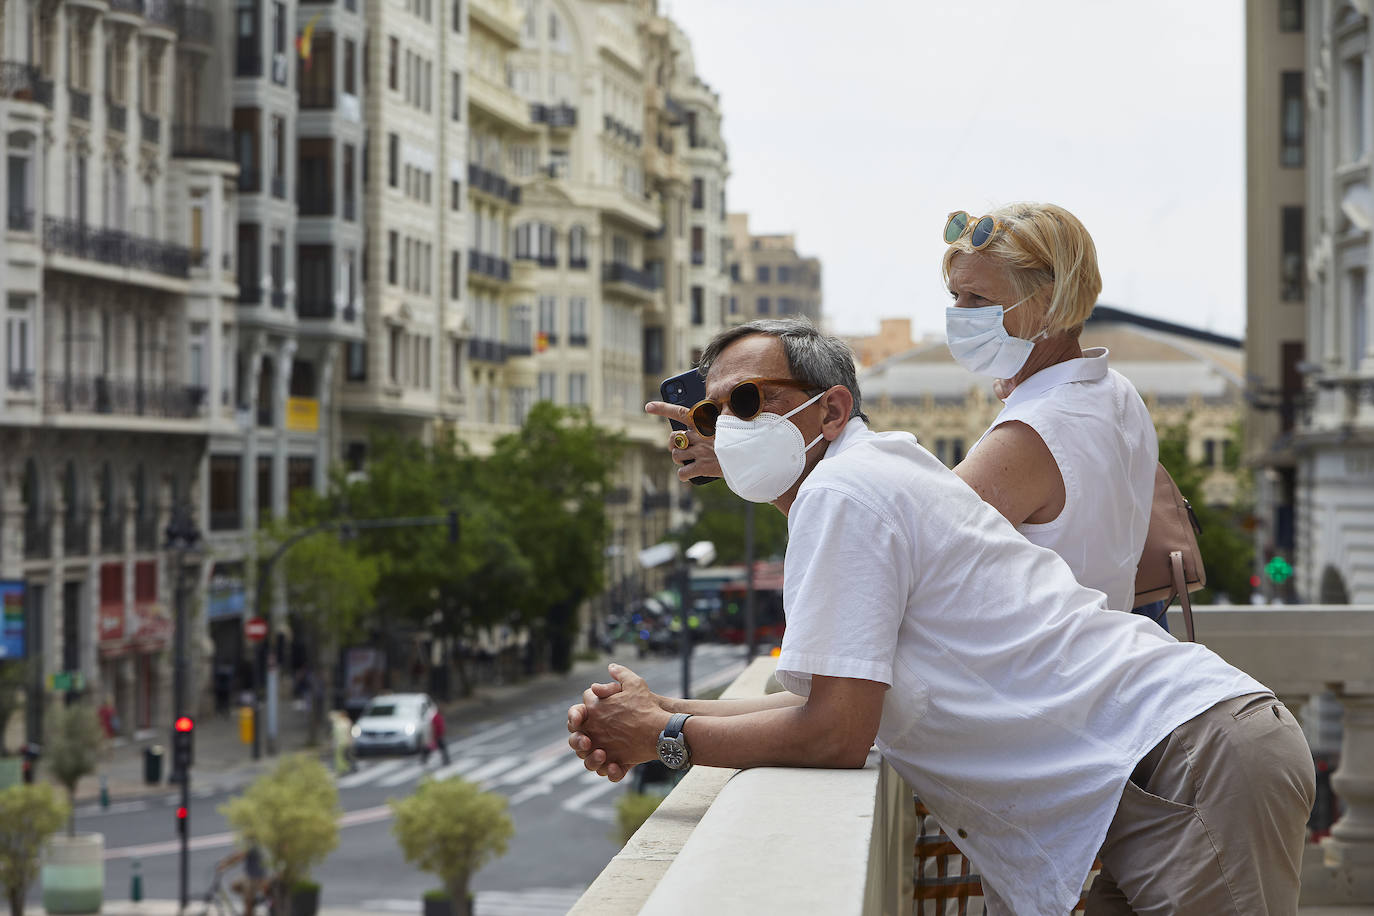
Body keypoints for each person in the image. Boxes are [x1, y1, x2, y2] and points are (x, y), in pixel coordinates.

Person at [570, 319, 1314, 915]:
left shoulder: (847, 492)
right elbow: (829, 701)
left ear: (831, 409)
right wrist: (656, 709)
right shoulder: (870, 476)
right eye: (710, 410)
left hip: (1190, 764)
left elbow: (834, 732)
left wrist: (663, 737)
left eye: (746, 401)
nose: (724, 426)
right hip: (1169, 767)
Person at [648, 202, 1168, 629]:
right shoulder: (1115, 394)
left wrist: (751, 455)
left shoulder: (1031, 435)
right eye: (956, 295)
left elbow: (889, 563)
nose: (959, 314)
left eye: (979, 298)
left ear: (1050, 303)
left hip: (1045, 699)